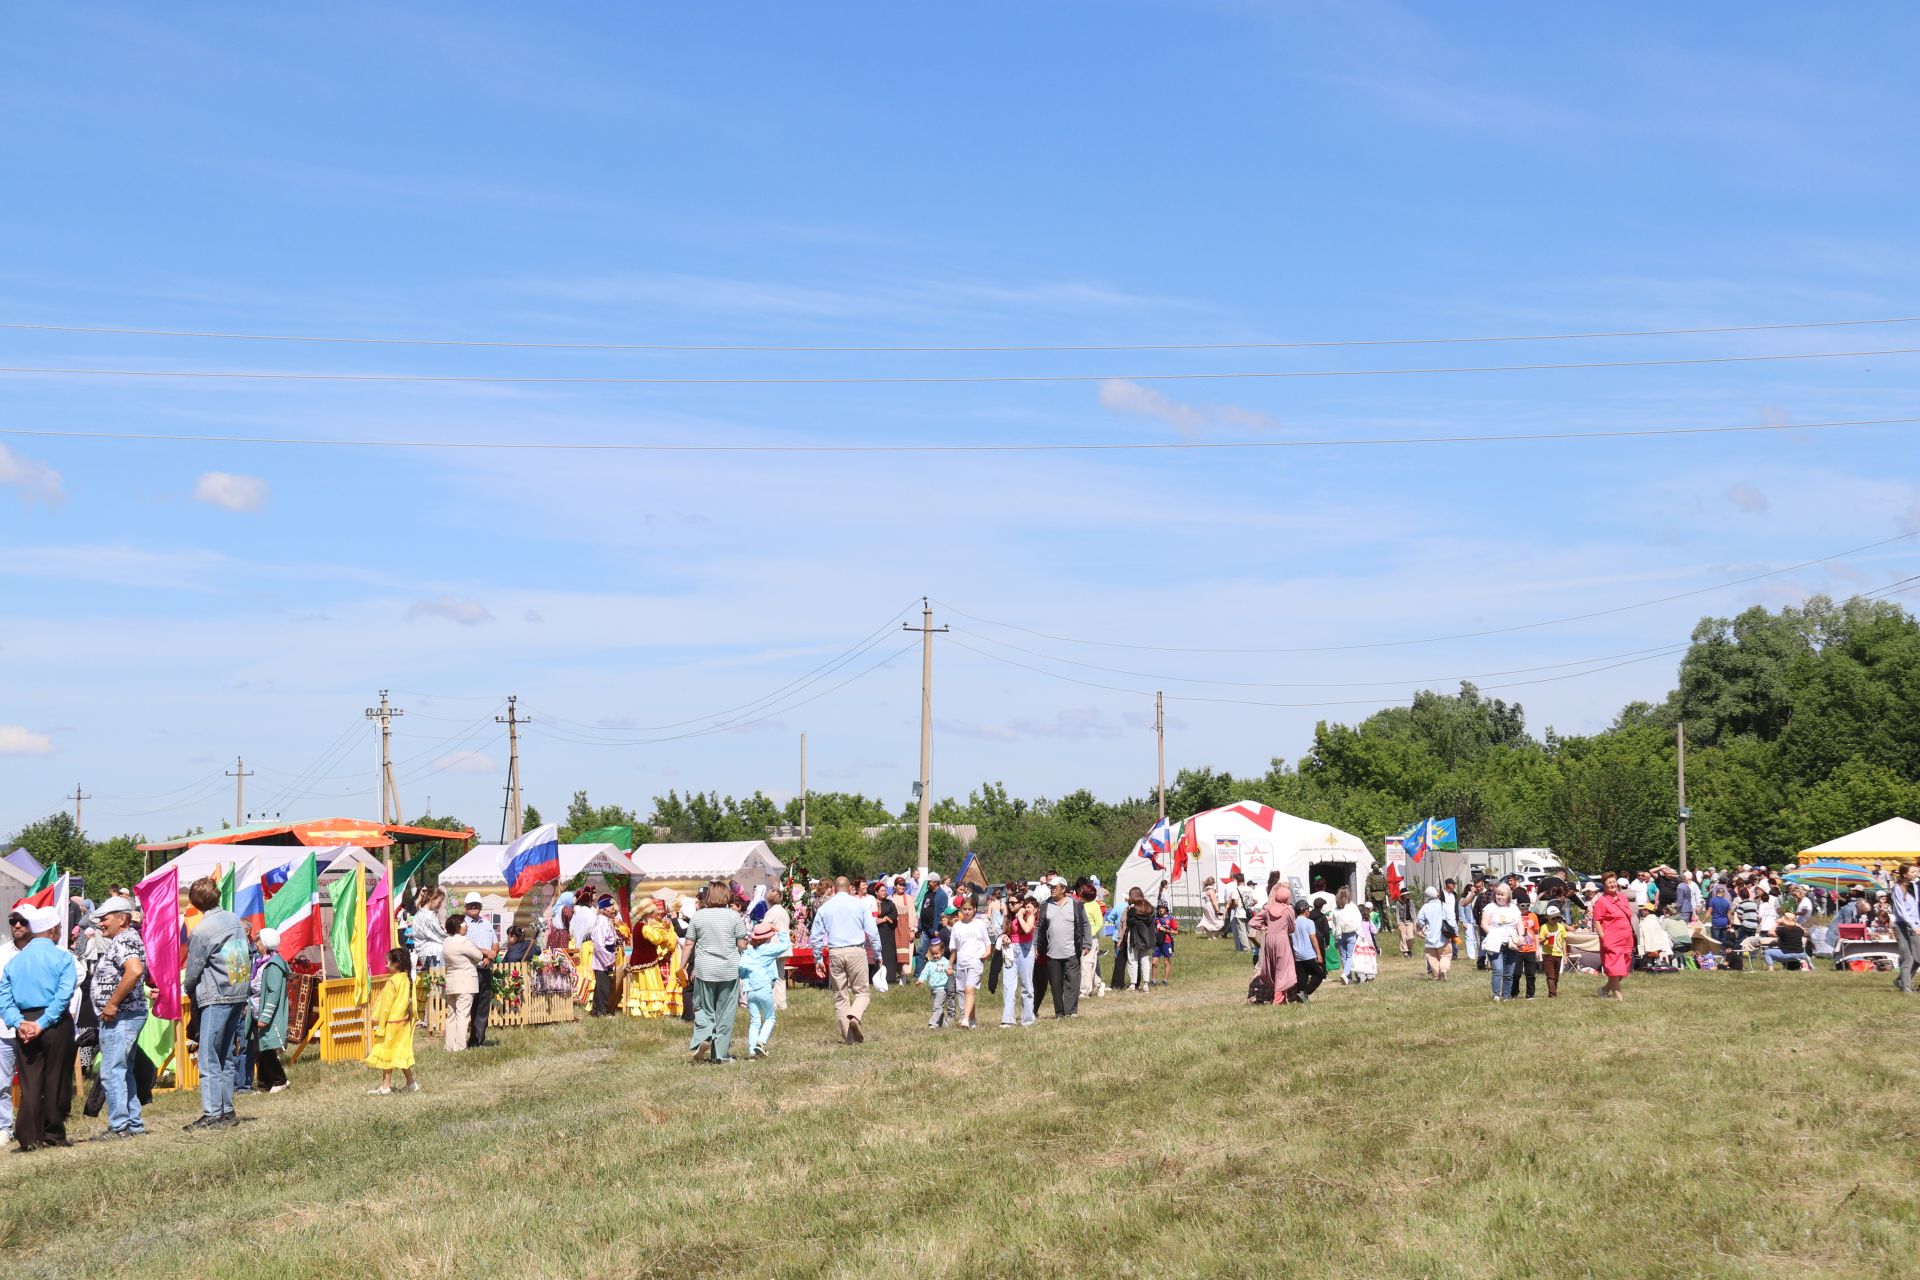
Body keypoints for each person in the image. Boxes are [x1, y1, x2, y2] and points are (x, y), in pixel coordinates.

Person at [0, 905, 74, 1152]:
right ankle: (53, 1132)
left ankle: (28, 1137)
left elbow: (4, 997)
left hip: (24, 1022)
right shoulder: (64, 958)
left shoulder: (14, 962)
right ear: (53, 930)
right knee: (55, 1078)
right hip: (54, 1022)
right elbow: (63, 996)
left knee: (30, 1082)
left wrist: (19, 1022)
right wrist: (41, 1024)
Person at [181, 876, 251, 1132]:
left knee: (209, 1056)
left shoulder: (202, 930)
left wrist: (189, 990)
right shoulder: (233, 919)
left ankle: (212, 1113)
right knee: (226, 1055)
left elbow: (193, 970)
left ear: (195, 903)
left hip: (215, 994)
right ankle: (227, 1109)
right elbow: (245, 953)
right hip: (238, 991)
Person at [85, 896, 148, 1138]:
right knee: (123, 1070)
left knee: (112, 1071)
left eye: (105, 918)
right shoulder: (126, 940)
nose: (101, 923)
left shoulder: (124, 941)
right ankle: (132, 1124)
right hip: (124, 1015)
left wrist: (111, 1004)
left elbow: (134, 971)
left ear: (122, 919)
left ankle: (119, 1126)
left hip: (120, 1016)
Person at [810, 875, 883, 1044]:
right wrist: (878, 954)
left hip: (835, 952)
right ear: (851, 888)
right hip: (856, 951)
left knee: (840, 996)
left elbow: (816, 936)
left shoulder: (826, 907)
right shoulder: (860, 905)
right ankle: (855, 1017)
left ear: (834, 889)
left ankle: (849, 1040)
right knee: (862, 992)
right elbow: (872, 932)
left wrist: (818, 958)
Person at [684, 882, 751, 1063]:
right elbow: (741, 944)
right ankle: (720, 1055)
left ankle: (704, 1035)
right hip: (728, 969)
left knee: (704, 1007)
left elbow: (689, 943)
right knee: (725, 1012)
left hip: (705, 970)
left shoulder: (698, 916)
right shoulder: (734, 916)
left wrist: (682, 965)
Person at [366, 947, 419, 1094]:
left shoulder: (392, 982)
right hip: (403, 1022)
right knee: (399, 1053)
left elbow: (385, 1007)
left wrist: (380, 1024)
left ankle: (385, 1086)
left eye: (388, 962)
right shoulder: (407, 980)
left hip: (391, 1023)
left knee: (387, 1053)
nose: (386, 965)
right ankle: (411, 1083)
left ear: (397, 964)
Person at [1036, 876, 1089, 1018]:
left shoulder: (1075, 904)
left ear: (1063, 889)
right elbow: (1039, 927)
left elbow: (1085, 924)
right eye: (1051, 887)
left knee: (1072, 982)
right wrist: (1036, 944)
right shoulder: (1045, 905)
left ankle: (1071, 1011)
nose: (1052, 889)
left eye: (1054, 887)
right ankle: (1059, 1012)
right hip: (1052, 953)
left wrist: (1086, 943)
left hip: (1072, 951)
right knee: (1056, 985)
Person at [625, 897, 687, 1018]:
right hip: (647, 962)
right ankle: (650, 1010)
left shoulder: (638, 926)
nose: (655, 915)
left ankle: (639, 1010)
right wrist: (665, 930)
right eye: (654, 913)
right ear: (648, 914)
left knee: (640, 986)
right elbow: (658, 939)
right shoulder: (646, 927)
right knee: (649, 985)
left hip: (639, 962)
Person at [739, 920, 792, 1058]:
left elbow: (741, 970)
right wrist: (780, 932)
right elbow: (785, 945)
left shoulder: (748, 952)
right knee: (770, 1017)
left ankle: (751, 1052)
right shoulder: (768, 949)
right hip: (764, 988)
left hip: (750, 990)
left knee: (754, 1020)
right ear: (768, 937)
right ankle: (761, 1043)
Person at [251, 927, 291, 1094]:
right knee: (259, 1049)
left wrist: (265, 1017)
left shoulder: (273, 965)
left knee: (266, 1048)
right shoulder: (262, 961)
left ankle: (279, 1080)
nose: (256, 944)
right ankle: (264, 1084)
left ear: (266, 943)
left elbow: (274, 993)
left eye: (259, 941)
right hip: (256, 1009)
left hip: (267, 1014)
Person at [441, 914, 485, 1052]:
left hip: (452, 981)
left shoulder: (447, 941)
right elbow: (478, 956)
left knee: (451, 1014)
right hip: (465, 981)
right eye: (463, 923)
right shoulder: (463, 941)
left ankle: (449, 1045)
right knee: (463, 1015)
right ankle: (460, 1046)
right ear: (457, 926)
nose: (466, 925)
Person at [460, 894, 499, 1048]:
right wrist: (486, 953)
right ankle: (465, 1039)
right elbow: (466, 945)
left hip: (486, 969)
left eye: (476, 904)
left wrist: (491, 955)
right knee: (469, 1005)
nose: (474, 907)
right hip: (471, 970)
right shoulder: (462, 924)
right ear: (465, 907)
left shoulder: (487, 923)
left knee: (483, 1005)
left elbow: (495, 943)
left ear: (481, 906)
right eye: (471, 905)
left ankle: (478, 1040)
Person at [1589, 872, 1636, 1000]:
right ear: (1604, 886)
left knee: (1624, 970)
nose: (1612, 884)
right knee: (1615, 970)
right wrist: (1603, 937)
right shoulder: (1601, 902)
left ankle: (1604, 989)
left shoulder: (1623, 897)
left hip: (1626, 939)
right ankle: (1619, 998)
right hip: (1612, 939)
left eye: (1613, 881)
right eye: (1609, 883)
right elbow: (1597, 921)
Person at [947, 897, 992, 1029]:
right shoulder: (957, 926)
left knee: (969, 989)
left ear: (974, 910)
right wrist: (950, 964)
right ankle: (972, 1019)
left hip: (976, 961)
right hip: (961, 963)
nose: (967, 912)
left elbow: (987, 941)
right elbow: (954, 948)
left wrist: (987, 952)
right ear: (960, 910)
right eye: (964, 909)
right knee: (965, 992)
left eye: (970, 909)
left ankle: (965, 1019)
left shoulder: (980, 924)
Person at [1251, 884, 1296, 1006]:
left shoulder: (1267, 908)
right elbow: (1292, 929)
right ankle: (1278, 999)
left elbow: (1252, 922)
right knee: (1283, 969)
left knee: (1273, 967)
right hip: (1282, 940)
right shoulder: (1288, 910)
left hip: (1269, 939)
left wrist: (1264, 926)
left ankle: (1280, 998)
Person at [999, 892, 1037, 1028]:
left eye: (1013, 903)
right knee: (1008, 985)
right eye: (1009, 902)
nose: (1010, 905)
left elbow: (1027, 930)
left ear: (1021, 904)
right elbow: (1005, 931)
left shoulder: (1029, 915)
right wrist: (1004, 937)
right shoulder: (1008, 917)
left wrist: (1020, 916)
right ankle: (1007, 1019)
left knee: (1026, 985)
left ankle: (1027, 1019)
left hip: (1025, 950)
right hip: (1010, 950)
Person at [1480, 884, 1521, 1002]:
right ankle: (1496, 994)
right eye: (1497, 894)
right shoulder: (1489, 907)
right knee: (1498, 969)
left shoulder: (1514, 908)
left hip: (1511, 942)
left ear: (1508, 896)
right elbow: (1484, 924)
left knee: (1509, 972)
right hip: (1495, 943)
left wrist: (1521, 936)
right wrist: (1492, 934)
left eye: (1502, 894)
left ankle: (1506, 995)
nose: (1499, 896)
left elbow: (1519, 924)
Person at [589, 896, 621, 1017]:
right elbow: (599, 945)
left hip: (606, 957)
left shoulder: (605, 921)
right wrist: (608, 960)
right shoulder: (601, 923)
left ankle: (596, 1011)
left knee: (601, 986)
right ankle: (601, 1013)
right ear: (603, 910)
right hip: (603, 960)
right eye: (611, 909)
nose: (614, 911)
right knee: (603, 988)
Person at [913, 873, 950, 978]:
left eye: (929, 881)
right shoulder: (927, 893)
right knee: (921, 952)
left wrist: (937, 928)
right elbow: (923, 910)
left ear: (935, 882)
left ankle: (938, 973)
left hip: (935, 930)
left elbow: (942, 913)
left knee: (937, 952)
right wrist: (920, 926)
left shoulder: (942, 895)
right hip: (925, 928)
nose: (928, 883)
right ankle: (918, 975)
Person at [1892, 863, 1920, 994]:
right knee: (1908, 958)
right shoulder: (1897, 888)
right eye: (1913, 872)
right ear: (1905, 874)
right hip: (1902, 925)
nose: (1916, 874)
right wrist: (1913, 925)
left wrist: (1917, 924)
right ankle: (1906, 989)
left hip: (1915, 925)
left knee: (1918, 958)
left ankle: (1900, 980)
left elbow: (1916, 908)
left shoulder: (1914, 886)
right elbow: (1900, 910)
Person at [1288, 900, 1324, 1003]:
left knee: (1302, 979)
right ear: (1306, 911)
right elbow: (1313, 938)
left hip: (1297, 956)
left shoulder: (1293, 922)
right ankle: (1304, 993)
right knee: (1319, 974)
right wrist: (1318, 954)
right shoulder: (1309, 922)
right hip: (1308, 954)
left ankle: (1302, 999)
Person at [1122, 888, 1156, 992]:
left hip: (1134, 937)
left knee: (1133, 960)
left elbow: (1130, 922)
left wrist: (1130, 911)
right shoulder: (1149, 907)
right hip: (1146, 938)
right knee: (1145, 960)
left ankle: (1133, 984)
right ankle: (1146, 984)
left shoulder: (1133, 908)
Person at [1416, 886, 1452, 980]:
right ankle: (1443, 970)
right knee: (1445, 955)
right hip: (1443, 936)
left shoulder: (1424, 907)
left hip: (1429, 936)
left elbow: (1419, 921)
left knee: (1432, 957)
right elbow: (1451, 920)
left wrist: (1423, 928)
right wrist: (1454, 933)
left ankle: (1436, 975)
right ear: (1437, 894)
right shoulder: (1443, 905)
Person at [410, 887, 448, 970]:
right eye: (439, 902)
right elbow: (441, 936)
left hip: (427, 955)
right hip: (434, 955)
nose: (440, 905)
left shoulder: (420, 914)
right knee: (439, 981)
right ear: (432, 898)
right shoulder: (428, 917)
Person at [1331, 889, 1362, 985]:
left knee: (1343, 957)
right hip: (1351, 933)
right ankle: (1345, 974)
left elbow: (1334, 924)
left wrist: (1335, 937)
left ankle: (1348, 978)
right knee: (1350, 956)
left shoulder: (1335, 910)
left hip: (1340, 935)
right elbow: (1358, 920)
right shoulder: (1352, 907)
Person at [1539, 904, 1570, 996]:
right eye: (1553, 918)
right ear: (1547, 917)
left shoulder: (1561, 927)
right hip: (1547, 954)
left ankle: (1554, 990)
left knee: (1556, 976)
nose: (1555, 920)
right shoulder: (1544, 927)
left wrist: (1565, 955)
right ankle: (1552, 994)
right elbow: (1539, 941)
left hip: (1559, 954)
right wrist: (1545, 938)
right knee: (1550, 975)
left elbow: (1564, 941)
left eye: (1557, 918)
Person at [922, 940, 953, 1028]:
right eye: (933, 954)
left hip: (942, 989)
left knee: (937, 1007)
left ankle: (932, 1024)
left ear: (942, 951)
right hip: (933, 989)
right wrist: (921, 979)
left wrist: (951, 972)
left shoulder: (946, 962)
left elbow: (952, 971)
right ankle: (943, 1025)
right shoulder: (930, 963)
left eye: (937, 953)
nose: (935, 956)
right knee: (936, 1008)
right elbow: (925, 972)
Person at [1152, 901, 1178, 987]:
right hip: (1157, 942)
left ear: (1166, 909)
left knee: (1166, 961)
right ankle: (1153, 980)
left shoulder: (1170, 919)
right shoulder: (1155, 918)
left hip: (1167, 942)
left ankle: (1165, 980)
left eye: (1163, 907)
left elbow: (1176, 931)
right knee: (1154, 962)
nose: (1161, 909)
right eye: (1159, 907)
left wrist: (1166, 930)